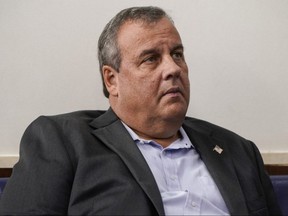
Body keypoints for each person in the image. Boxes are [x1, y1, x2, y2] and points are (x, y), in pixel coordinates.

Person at [0, 6, 281, 216]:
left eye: (178, 55)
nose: (173, 68)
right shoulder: (62, 141)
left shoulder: (239, 150)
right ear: (112, 80)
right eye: (151, 59)